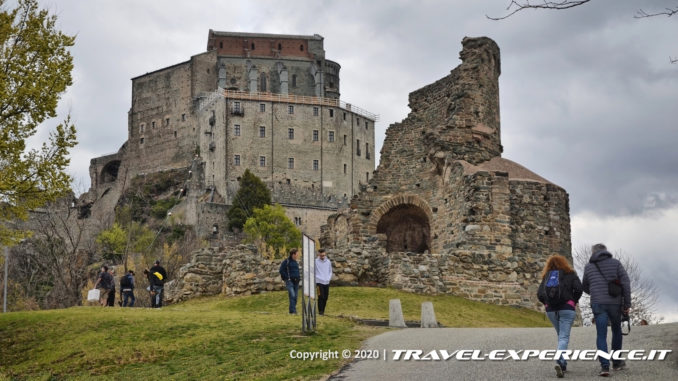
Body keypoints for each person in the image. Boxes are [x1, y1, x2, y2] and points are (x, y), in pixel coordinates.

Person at [582, 243, 631, 377]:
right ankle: (616, 362)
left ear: (593, 253)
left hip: (598, 303)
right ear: (606, 251)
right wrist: (627, 304)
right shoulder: (616, 263)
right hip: (615, 303)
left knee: (601, 334)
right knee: (616, 331)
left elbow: (584, 285)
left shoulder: (589, 267)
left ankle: (604, 366)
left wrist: (595, 292)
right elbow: (626, 283)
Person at [537, 254, 583, 378]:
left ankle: (563, 363)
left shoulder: (547, 276)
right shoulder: (570, 273)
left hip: (551, 310)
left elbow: (540, 294)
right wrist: (573, 300)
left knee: (561, 336)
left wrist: (547, 303)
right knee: (563, 337)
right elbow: (579, 288)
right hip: (567, 308)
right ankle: (560, 359)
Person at [279, 248, 300, 314]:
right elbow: (281, 270)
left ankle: (292, 310)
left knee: (295, 297)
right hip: (289, 281)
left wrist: (299, 278)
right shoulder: (286, 261)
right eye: (297, 254)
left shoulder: (296, 262)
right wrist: (287, 278)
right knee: (292, 295)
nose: (298, 255)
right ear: (293, 254)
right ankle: (293, 311)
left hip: (296, 282)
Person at [315, 248, 332, 316]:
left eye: (323, 255)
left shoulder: (328, 262)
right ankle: (320, 311)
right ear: (319, 254)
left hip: (326, 282)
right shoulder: (315, 261)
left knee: (326, 297)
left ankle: (323, 311)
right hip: (319, 282)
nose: (322, 256)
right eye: (321, 255)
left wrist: (328, 278)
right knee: (320, 296)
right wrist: (316, 278)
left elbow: (330, 271)